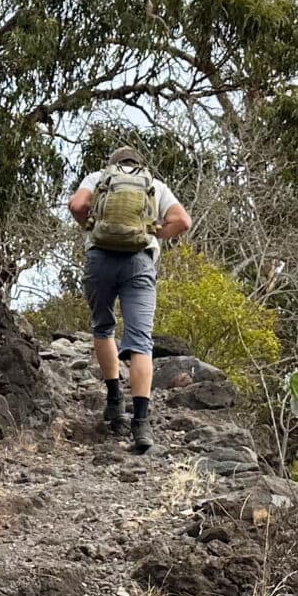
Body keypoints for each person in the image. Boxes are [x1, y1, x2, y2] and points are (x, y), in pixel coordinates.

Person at [66, 146, 190, 453]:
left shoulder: (97, 178)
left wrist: (92, 228)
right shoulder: (154, 185)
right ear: (139, 165)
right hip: (139, 261)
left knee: (103, 327)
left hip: (99, 259)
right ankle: (141, 423)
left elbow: (77, 204)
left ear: (113, 166)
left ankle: (113, 399)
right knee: (140, 340)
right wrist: (151, 233)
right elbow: (183, 221)